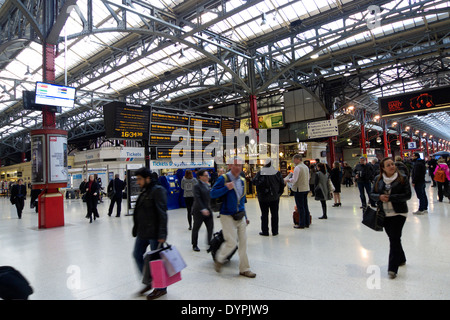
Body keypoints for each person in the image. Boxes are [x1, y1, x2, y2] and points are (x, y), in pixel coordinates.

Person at [210, 157, 256, 278]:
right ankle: (219, 259)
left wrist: (245, 216)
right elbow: (212, 193)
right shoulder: (223, 178)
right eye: (235, 165)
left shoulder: (242, 180)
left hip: (240, 216)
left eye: (240, 165)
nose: (237, 168)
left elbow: (241, 201)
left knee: (243, 243)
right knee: (231, 242)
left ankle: (244, 269)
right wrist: (226, 188)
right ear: (230, 165)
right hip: (227, 215)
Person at [370, 157, 411, 279]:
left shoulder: (402, 178)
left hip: (399, 213)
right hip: (385, 214)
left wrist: (391, 198)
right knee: (394, 237)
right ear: (383, 168)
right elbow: (372, 194)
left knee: (394, 238)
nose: (392, 166)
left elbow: (407, 195)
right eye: (388, 165)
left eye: (392, 164)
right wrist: (379, 197)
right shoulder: (378, 179)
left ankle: (392, 269)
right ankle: (401, 258)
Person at [132, 167, 168, 300]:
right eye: (137, 179)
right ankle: (149, 281)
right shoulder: (145, 191)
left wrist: (162, 234)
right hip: (143, 232)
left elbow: (163, 214)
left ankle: (161, 288)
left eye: (140, 179)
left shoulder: (158, 191)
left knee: (156, 261)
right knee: (136, 255)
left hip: (155, 233)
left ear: (148, 178)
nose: (138, 182)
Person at [252, 159, 285, 236]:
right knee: (275, 214)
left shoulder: (260, 172)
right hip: (275, 197)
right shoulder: (277, 173)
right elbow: (282, 184)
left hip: (263, 197)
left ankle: (265, 231)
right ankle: (275, 231)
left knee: (264, 214)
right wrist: (279, 193)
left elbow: (254, 182)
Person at [191, 169, 214, 252]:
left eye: (208, 175)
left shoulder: (208, 185)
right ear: (200, 177)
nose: (208, 177)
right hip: (199, 211)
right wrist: (203, 209)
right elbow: (198, 198)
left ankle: (209, 243)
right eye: (206, 175)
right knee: (196, 228)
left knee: (210, 227)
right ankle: (194, 244)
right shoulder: (196, 186)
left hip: (208, 209)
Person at [286, 154, 310, 229]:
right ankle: (307, 222)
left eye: (294, 159)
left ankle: (301, 224)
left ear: (298, 159)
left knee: (300, 207)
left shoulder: (297, 168)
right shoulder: (306, 167)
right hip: (305, 188)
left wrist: (288, 180)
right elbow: (308, 177)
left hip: (299, 189)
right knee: (305, 206)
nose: (293, 161)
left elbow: (295, 179)